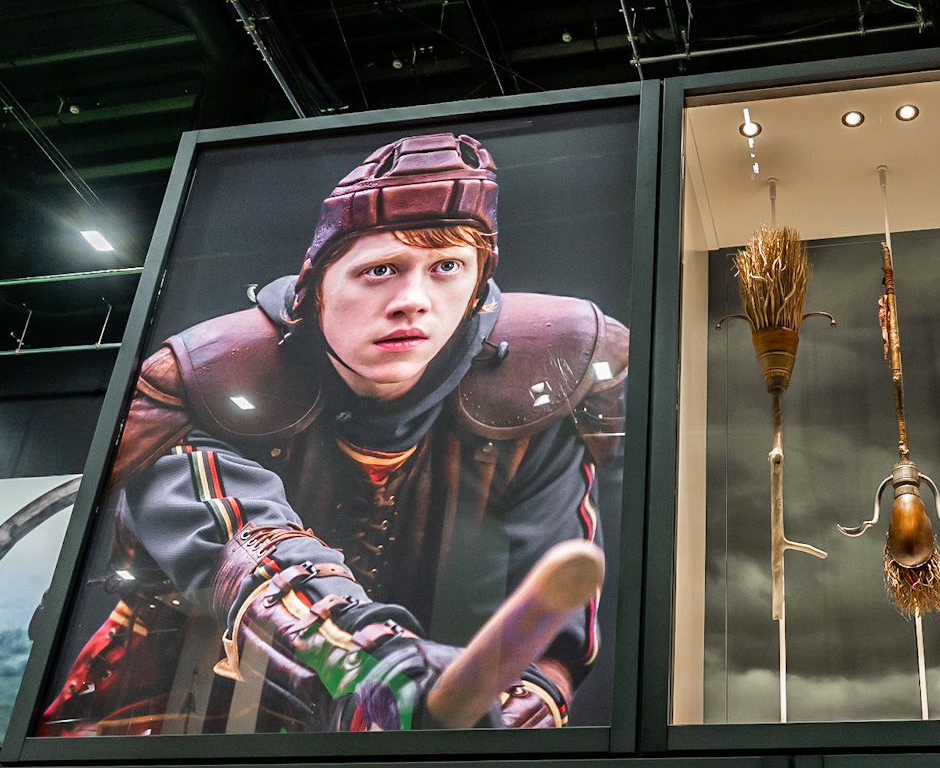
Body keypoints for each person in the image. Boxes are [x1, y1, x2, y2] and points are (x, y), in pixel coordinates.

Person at [40, 133, 628, 734]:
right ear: (317, 285)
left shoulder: (538, 392)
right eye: (380, 270)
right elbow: (249, 548)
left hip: (387, 749)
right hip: (168, 718)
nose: (413, 302)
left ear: (478, 286)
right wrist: (374, 662)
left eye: (447, 267)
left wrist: (525, 701)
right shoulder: (210, 383)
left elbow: (551, 635)